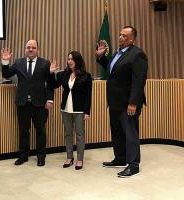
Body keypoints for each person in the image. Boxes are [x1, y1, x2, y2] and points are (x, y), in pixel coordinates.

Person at [95, 26, 148, 177]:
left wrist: (133, 102)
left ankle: (133, 165)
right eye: (119, 35)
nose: (120, 37)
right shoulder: (117, 53)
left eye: (124, 36)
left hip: (127, 103)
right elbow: (112, 71)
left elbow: (139, 81)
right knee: (117, 131)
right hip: (114, 102)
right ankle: (120, 158)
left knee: (130, 134)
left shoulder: (137, 54)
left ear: (132, 39)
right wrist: (101, 57)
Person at [1, 39, 54, 167]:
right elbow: (6, 74)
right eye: (28, 47)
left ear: (37, 50)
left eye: (33, 47)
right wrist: (5, 62)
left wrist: (50, 99)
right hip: (22, 103)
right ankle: (23, 156)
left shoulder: (45, 63)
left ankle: (41, 156)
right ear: (25, 49)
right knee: (23, 130)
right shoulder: (18, 62)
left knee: (40, 130)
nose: (30, 49)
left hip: (40, 104)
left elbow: (50, 84)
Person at [50, 51, 92, 170]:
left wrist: (87, 112)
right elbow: (53, 85)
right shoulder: (64, 74)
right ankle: (69, 157)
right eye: (68, 59)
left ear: (78, 60)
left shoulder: (86, 76)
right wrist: (51, 73)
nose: (70, 61)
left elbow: (88, 96)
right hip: (65, 109)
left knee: (79, 135)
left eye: (72, 59)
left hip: (79, 110)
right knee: (68, 134)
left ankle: (79, 159)